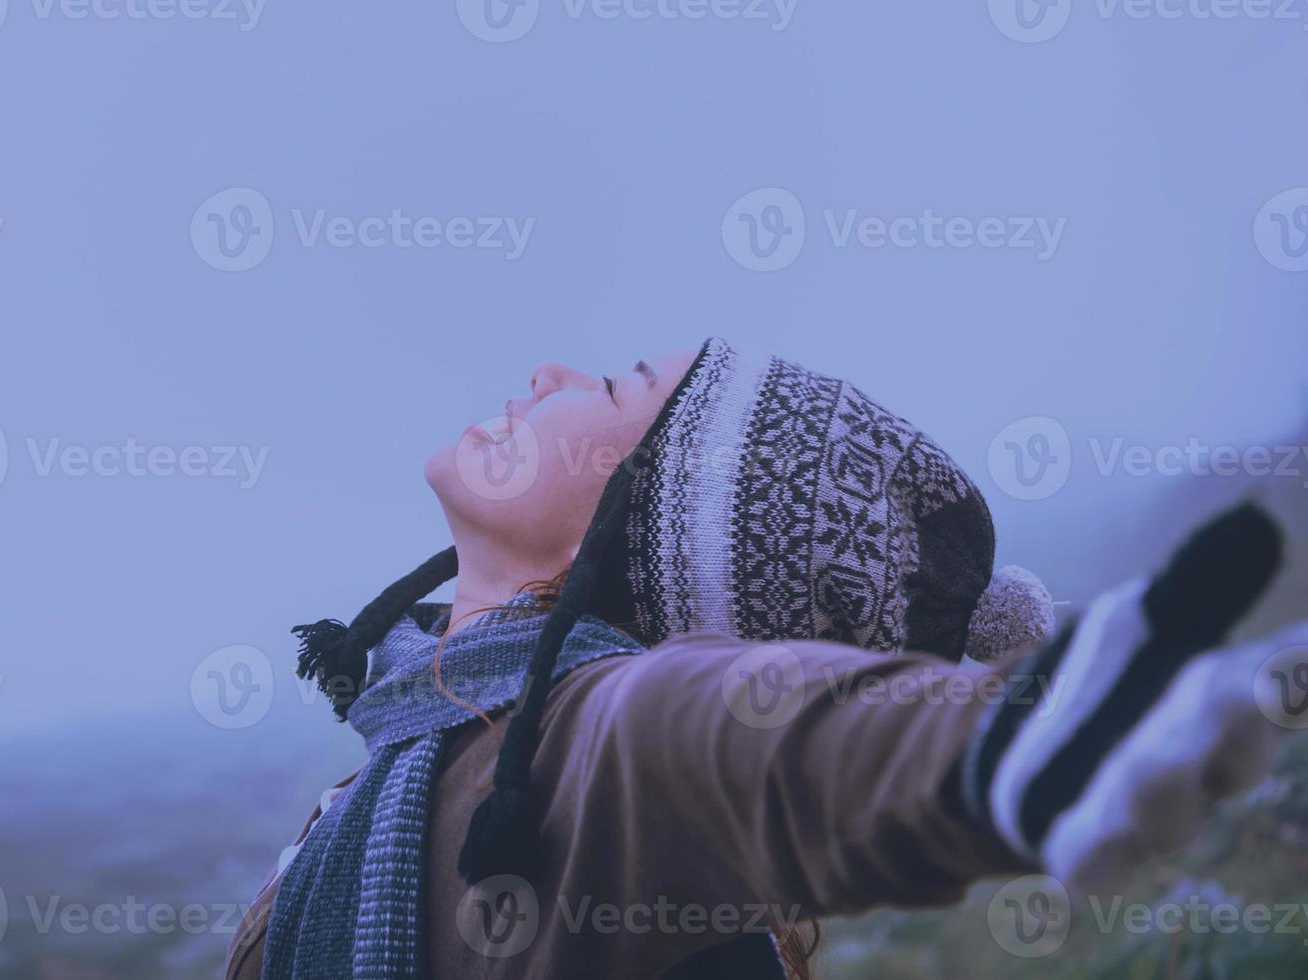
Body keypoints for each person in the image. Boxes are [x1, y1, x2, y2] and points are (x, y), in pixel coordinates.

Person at [222, 339, 1303, 979]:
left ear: (631, 524)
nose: (551, 369)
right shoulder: (402, 761)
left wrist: (1011, 742)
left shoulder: (599, 739)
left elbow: (755, 734)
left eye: (606, 388)